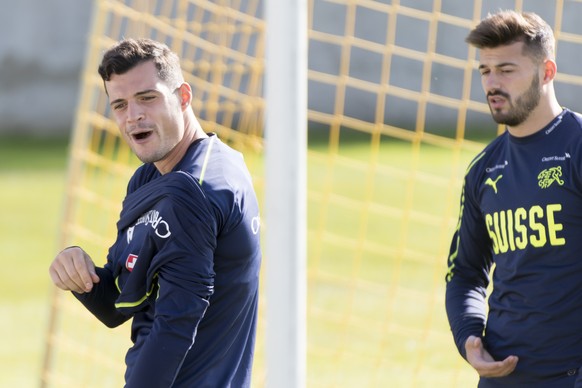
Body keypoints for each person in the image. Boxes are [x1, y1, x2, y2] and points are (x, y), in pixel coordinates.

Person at [48, 38, 262, 387]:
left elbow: (176, 325)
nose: (133, 116)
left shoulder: (192, 190)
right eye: (120, 105)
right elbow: (120, 302)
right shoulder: (154, 177)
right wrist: (79, 272)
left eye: (147, 98)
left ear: (183, 96)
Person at [445, 10, 582, 387]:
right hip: (503, 377)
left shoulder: (577, 147)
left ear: (547, 72)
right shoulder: (484, 170)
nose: (492, 83)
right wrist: (469, 337)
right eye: (485, 71)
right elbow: (465, 273)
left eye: (507, 70)